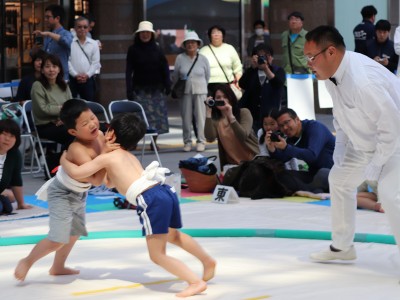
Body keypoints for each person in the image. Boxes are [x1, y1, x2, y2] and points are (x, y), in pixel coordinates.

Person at [59, 113, 217, 298]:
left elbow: (78, 173)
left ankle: (194, 281)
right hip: (164, 191)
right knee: (174, 236)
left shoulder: (107, 158)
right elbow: (109, 182)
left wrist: (64, 161)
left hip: (150, 199)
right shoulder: (127, 156)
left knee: (157, 255)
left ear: (110, 134)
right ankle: (207, 261)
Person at [304, 25, 400, 262]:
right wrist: (341, 146)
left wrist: (377, 166)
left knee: (389, 194)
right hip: (364, 143)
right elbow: (342, 114)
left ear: (331, 52)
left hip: (395, 144)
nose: (308, 63)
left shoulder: (364, 82)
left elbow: (392, 127)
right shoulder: (330, 76)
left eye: (310, 57)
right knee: (339, 180)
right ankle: (342, 247)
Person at [14, 99, 116, 282]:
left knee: (74, 233)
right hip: (62, 192)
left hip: (80, 192)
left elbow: (100, 173)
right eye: (85, 123)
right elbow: (96, 179)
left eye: (92, 117)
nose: (93, 124)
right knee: (57, 239)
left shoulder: (100, 135)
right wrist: (105, 154)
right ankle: (27, 261)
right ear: (73, 131)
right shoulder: (77, 148)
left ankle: (58, 267)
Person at [125, 21, 171, 150]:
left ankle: (154, 142)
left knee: (157, 118)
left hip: (157, 89)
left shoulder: (158, 48)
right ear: (138, 35)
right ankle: (134, 142)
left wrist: (168, 84)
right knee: (139, 117)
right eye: (142, 33)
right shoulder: (132, 49)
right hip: (140, 89)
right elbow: (129, 71)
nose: (145, 35)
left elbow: (165, 67)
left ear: (151, 34)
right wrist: (129, 89)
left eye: (147, 33)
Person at [268, 108, 335, 192]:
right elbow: (283, 159)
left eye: (287, 122)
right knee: (281, 175)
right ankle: (312, 190)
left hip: (333, 172)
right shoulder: (292, 137)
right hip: (313, 174)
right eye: (281, 126)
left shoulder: (315, 128)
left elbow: (312, 155)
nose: (285, 128)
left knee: (322, 174)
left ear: (297, 119)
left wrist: (286, 148)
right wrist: (273, 149)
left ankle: (312, 190)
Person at [204, 83, 259, 170]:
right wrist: (208, 112)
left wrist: (231, 116)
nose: (222, 100)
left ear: (231, 98)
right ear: (214, 101)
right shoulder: (216, 120)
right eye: (218, 98)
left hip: (253, 163)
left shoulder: (244, 113)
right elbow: (210, 138)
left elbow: (243, 136)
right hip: (232, 166)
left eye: (225, 97)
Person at [172, 31, 210, 152]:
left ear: (198, 44)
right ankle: (187, 142)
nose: (190, 45)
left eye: (193, 42)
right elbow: (175, 76)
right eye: (188, 42)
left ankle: (201, 141)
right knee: (186, 118)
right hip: (185, 91)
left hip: (201, 91)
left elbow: (207, 75)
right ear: (185, 44)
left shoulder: (203, 59)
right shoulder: (180, 58)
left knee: (201, 118)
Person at [31, 53, 74, 150]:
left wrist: (63, 118)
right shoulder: (38, 85)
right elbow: (43, 109)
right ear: (42, 70)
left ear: (59, 69)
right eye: (47, 66)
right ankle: (59, 161)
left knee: (84, 132)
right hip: (45, 125)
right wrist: (63, 109)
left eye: (54, 66)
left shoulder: (64, 85)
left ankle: (61, 160)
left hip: (63, 122)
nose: (51, 70)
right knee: (73, 134)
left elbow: (71, 106)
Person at [239, 43, 285, 132]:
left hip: (269, 117)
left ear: (271, 57)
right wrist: (252, 68)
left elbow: (278, 84)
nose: (262, 59)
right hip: (251, 115)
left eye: (265, 56)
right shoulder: (252, 71)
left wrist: (266, 68)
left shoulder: (278, 70)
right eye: (260, 56)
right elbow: (242, 84)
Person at [199, 25, 243, 96]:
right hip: (207, 86)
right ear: (210, 36)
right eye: (213, 33)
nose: (216, 35)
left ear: (223, 36)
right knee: (209, 106)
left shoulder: (230, 49)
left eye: (219, 32)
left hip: (226, 84)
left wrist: (238, 82)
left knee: (226, 106)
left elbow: (238, 68)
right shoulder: (202, 51)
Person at [33, 4, 72, 81]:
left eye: (48, 17)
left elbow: (67, 42)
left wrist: (49, 34)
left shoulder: (66, 33)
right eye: (45, 17)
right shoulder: (47, 36)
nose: (45, 20)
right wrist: (38, 40)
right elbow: (36, 54)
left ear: (57, 18)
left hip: (61, 78)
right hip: (47, 77)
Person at [0, 119, 32, 212]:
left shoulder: (14, 154)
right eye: (4, 134)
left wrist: (21, 203)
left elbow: (16, 179)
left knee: (8, 204)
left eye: (12, 136)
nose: (7, 139)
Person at [68, 16, 101, 102]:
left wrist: (87, 75)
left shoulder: (94, 44)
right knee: (72, 105)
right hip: (72, 80)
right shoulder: (70, 43)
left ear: (89, 28)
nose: (82, 29)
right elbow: (67, 61)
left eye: (85, 27)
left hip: (88, 80)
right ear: (75, 28)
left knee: (89, 106)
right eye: (79, 27)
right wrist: (75, 75)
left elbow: (95, 62)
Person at [281, 11, 309, 75]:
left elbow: (311, 56)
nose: (293, 21)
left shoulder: (307, 36)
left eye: (296, 19)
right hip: (287, 72)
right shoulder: (284, 35)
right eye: (291, 19)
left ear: (302, 22)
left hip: (303, 72)